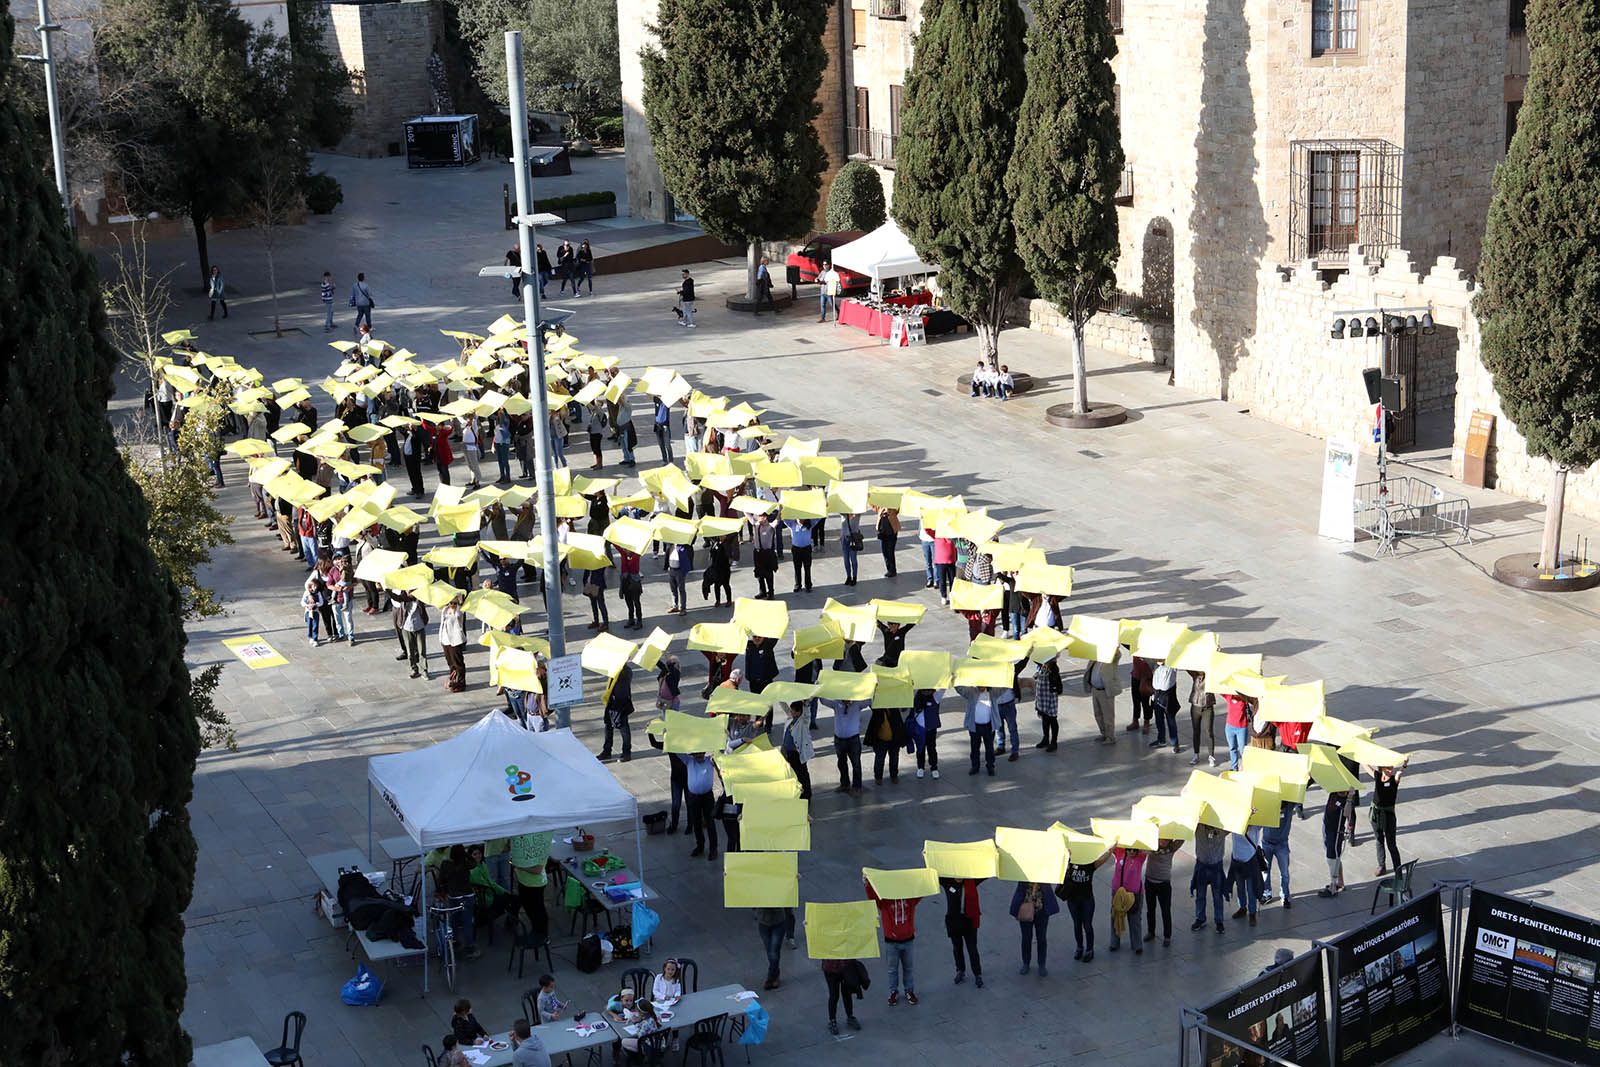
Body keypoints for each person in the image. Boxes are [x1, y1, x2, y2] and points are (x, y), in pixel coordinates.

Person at [866, 876, 920, 1004]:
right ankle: (893, 992)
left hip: (908, 940)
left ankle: (909, 990)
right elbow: (873, 898)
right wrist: (867, 885)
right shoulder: (885, 901)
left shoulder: (910, 899)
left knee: (908, 968)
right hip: (892, 941)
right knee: (892, 969)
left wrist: (927, 878)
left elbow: (920, 892)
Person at [1057, 851, 1109, 962]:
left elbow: (1103, 859)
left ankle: (1090, 950)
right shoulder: (1069, 863)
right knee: (1077, 924)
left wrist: (1111, 848)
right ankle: (1079, 947)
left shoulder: (1090, 865)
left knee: (1087, 925)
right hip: (1073, 900)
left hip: (1087, 900)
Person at [511, 830, 553, 947]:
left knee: (538, 910)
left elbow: (537, 870)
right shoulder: (526, 845)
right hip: (524, 882)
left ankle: (543, 935)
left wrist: (519, 866)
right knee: (529, 908)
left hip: (536, 884)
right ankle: (536, 930)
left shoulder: (541, 849)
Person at [940, 876, 984, 987]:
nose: (959, 877)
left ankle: (977, 974)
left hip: (968, 921)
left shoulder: (971, 881)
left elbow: (984, 874)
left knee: (972, 949)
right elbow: (935, 874)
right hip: (953, 921)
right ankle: (960, 970)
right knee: (957, 948)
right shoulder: (947, 882)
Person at [1010, 881, 1058, 976]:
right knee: (1026, 938)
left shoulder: (1045, 874)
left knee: (1041, 938)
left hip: (1042, 911)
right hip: (1025, 909)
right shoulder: (1023, 875)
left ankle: (1041, 964)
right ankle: (1026, 963)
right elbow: (1020, 889)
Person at [1108, 845, 1147, 953]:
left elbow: (1150, 848)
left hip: (1134, 894)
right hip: (1118, 892)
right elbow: (1111, 845)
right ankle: (1114, 943)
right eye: (1129, 849)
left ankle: (1137, 945)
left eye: (1135, 849)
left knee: (1134, 919)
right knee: (1116, 916)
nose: (1131, 852)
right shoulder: (1119, 851)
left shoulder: (1141, 856)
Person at [1370, 762, 1407, 877]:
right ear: (1382, 768)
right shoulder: (1377, 776)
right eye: (1388, 767)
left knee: (1391, 844)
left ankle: (1398, 870)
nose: (1391, 769)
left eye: (1391, 767)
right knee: (1379, 840)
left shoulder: (1394, 779)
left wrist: (1405, 763)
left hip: (1388, 815)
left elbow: (1400, 772)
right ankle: (1381, 865)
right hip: (1376, 814)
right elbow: (1366, 765)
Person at [1261, 800, 1300, 908]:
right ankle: (1266, 893)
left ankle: (1285, 895)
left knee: (1284, 873)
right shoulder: (1268, 805)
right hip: (1266, 843)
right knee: (1265, 871)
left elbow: (1303, 788)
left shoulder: (1289, 806)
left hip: (1281, 844)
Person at [822, 696, 865, 793]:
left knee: (856, 764)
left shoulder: (858, 704)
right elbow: (823, 700)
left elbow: (870, 700)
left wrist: (874, 687)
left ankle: (857, 787)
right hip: (839, 739)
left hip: (853, 739)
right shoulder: (836, 703)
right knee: (841, 763)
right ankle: (844, 784)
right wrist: (819, 686)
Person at [1190, 823, 1229, 932]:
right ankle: (1200, 918)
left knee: (1217, 896)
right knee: (1200, 894)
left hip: (1216, 866)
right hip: (1201, 865)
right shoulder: (1198, 826)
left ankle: (1219, 920)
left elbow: (1237, 823)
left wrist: (1249, 814)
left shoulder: (1222, 828)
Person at [1143, 840, 1182, 947]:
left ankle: (1167, 936)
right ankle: (1151, 931)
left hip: (1164, 884)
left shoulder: (1172, 847)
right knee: (1150, 909)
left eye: (1166, 839)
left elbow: (1182, 838)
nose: (1163, 841)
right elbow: (1142, 849)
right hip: (1149, 881)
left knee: (1165, 911)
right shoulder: (1151, 845)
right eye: (1161, 838)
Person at [1082, 651, 1122, 745]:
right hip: (1095, 690)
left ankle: (1110, 737)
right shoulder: (1094, 658)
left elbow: (1118, 655)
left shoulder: (1111, 659)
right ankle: (1104, 733)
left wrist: (1115, 648)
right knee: (1098, 714)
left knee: (1108, 716)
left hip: (1105, 691)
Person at [1228, 826, 1264, 927]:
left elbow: (1262, 824)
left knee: (1251, 889)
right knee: (1240, 887)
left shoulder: (1255, 826)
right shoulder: (1235, 821)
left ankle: (1252, 913)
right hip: (1237, 859)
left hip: (1250, 861)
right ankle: (1242, 908)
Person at [959, 685, 998, 776]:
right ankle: (975, 766)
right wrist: (954, 678)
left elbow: (1005, 687)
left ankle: (990, 766)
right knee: (974, 748)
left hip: (988, 726)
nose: (980, 687)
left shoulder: (993, 693)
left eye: (983, 685)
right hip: (975, 726)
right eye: (979, 685)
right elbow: (960, 689)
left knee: (989, 748)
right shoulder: (971, 692)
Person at [685, 752, 718, 859]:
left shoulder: (710, 760)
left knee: (710, 822)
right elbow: (676, 751)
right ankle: (700, 846)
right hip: (693, 798)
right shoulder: (688, 760)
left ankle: (713, 849)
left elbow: (722, 750)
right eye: (696, 754)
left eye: (701, 753)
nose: (699, 756)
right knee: (696, 822)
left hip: (707, 797)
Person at [779, 701, 814, 800]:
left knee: (801, 774)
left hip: (797, 753)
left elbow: (807, 714)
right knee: (791, 773)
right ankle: (795, 792)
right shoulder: (790, 719)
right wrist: (779, 697)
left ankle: (806, 794)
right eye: (792, 710)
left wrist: (806, 705)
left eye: (794, 711)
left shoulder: (803, 722)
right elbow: (785, 708)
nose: (792, 712)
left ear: (799, 712)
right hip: (787, 751)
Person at [1317, 791, 1349, 898]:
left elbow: (1347, 813)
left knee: (1332, 859)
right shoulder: (1334, 793)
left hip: (1335, 833)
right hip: (1327, 828)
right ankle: (1340, 882)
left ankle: (1333, 887)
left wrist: (1350, 798)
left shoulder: (1346, 801)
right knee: (1336, 858)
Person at [865, 701, 905, 785]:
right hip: (881, 740)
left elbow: (899, 723)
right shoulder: (877, 709)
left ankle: (894, 776)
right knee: (879, 759)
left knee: (894, 758)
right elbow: (869, 702)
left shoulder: (894, 708)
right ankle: (878, 777)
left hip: (894, 739)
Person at [600, 662, 633, 761]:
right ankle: (607, 751)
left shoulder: (625, 671)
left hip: (620, 704)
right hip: (611, 702)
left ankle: (626, 753)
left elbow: (622, 690)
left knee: (623, 728)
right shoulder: (615, 669)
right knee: (608, 726)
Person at [821, 959, 860, 1035]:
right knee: (834, 995)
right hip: (832, 969)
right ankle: (833, 1020)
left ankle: (849, 1016)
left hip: (843, 967)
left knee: (846, 994)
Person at [755, 907, 791, 990]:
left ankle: (771, 977)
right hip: (763, 923)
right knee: (769, 951)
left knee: (774, 952)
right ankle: (775, 974)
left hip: (778, 922)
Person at [909, 688, 941, 779]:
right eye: (924, 690)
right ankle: (920, 767)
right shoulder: (915, 696)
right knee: (920, 748)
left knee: (932, 748)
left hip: (931, 728)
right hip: (919, 729)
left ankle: (934, 768)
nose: (927, 692)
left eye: (929, 690)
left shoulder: (935, 697)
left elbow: (943, 689)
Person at [1151, 661, 1181, 751]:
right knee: (1158, 720)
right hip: (1157, 695)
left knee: (1171, 721)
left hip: (1168, 697)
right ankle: (1161, 739)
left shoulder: (1172, 666)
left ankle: (1175, 743)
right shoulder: (1155, 666)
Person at [1188, 670, 1217, 766]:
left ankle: (1211, 756)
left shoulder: (1211, 676)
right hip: (1195, 706)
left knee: (1209, 731)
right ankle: (1196, 755)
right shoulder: (1195, 676)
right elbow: (1187, 667)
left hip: (1207, 707)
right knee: (1196, 731)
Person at [750, 512, 781, 599]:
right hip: (758, 552)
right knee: (759, 573)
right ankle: (762, 591)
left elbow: (778, 519)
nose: (761, 518)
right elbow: (748, 515)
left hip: (768, 553)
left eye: (763, 516)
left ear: (766, 517)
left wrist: (780, 509)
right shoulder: (756, 525)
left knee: (768, 574)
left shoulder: (770, 526)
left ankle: (771, 592)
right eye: (760, 516)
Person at [1034, 656, 1062, 750]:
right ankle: (1045, 739)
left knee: (1052, 719)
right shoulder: (1042, 666)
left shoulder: (1053, 668)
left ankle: (1054, 742)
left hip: (1050, 697)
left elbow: (1055, 679)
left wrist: (1050, 668)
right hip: (1042, 697)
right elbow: (1035, 659)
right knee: (1044, 719)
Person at [440, 596, 467, 692]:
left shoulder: (459, 612)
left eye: (454, 603)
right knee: (450, 662)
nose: (452, 605)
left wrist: (458, 604)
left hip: (455, 640)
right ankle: (453, 680)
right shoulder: (444, 610)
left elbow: (458, 616)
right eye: (451, 603)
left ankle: (461, 683)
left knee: (458, 663)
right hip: (445, 639)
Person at [784, 517, 818, 591]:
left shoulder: (810, 523)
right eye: (798, 518)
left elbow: (819, 517)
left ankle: (808, 585)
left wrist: (824, 507)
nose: (800, 519)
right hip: (796, 549)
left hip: (807, 549)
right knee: (797, 568)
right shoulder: (792, 523)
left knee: (807, 568)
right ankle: (798, 585)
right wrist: (781, 509)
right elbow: (784, 518)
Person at [873, 504, 899, 576]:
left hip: (892, 529)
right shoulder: (880, 503)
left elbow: (897, 509)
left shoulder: (893, 502)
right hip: (882, 529)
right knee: (884, 551)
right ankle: (889, 569)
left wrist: (889, 510)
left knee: (890, 550)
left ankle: (892, 570)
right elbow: (875, 508)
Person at [839, 510, 861, 586]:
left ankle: (854, 577)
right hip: (844, 539)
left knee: (853, 559)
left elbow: (863, 507)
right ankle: (848, 576)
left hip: (853, 539)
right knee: (846, 559)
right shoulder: (843, 514)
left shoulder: (857, 515)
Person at [652, 397, 674, 464]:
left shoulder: (667, 402)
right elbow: (650, 396)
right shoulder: (656, 400)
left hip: (665, 426)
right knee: (661, 444)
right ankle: (664, 460)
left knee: (667, 445)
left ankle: (670, 460)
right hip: (657, 425)